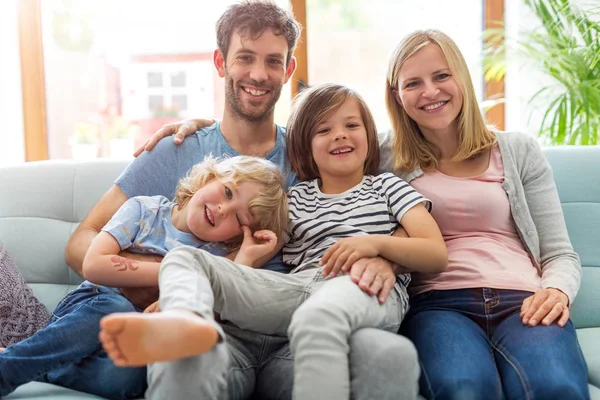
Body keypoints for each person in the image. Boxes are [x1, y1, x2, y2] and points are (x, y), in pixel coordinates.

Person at [65, 1, 421, 399]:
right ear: (220, 62)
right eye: (245, 58)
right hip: (220, 334)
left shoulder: (312, 150)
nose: (258, 74)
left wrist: (386, 256)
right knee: (181, 360)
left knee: (386, 356)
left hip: (294, 333)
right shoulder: (176, 151)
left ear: (288, 70)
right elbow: (82, 241)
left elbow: (388, 195)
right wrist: (163, 272)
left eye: (273, 61)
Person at [99, 83, 447, 400]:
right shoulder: (293, 198)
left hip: (356, 285)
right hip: (294, 289)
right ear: (305, 146)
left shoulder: (387, 187)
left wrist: (376, 245)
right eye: (324, 130)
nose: (339, 136)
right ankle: (186, 322)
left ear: (370, 135)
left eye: (351, 126)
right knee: (186, 260)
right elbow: (238, 247)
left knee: (322, 316)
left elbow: (434, 252)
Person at [380, 29, 589, 399]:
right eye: (413, 83)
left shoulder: (518, 150)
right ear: (397, 96)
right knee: (465, 388)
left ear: (462, 77)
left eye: (441, 76)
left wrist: (556, 290)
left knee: (556, 388)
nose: (430, 92)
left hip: (524, 299)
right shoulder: (385, 157)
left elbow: (559, 253)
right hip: (438, 305)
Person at [0, 155, 288, 399]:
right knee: (116, 306)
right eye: (227, 192)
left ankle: (44, 365)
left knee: (133, 377)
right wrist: (177, 270)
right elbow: (94, 265)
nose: (223, 210)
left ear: (237, 235)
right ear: (208, 177)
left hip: (132, 343)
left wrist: (246, 259)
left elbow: (214, 311)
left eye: (238, 219)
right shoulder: (145, 210)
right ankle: (8, 368)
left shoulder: (215, 256)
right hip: (91, 308)